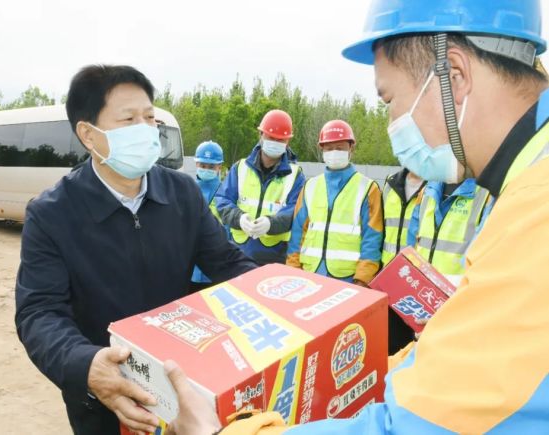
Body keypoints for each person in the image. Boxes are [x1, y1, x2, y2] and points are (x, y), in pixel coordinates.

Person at [164, 0, 549, 433]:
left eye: (390, 99)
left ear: (453, 76)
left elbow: (411, 425)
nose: (390, 123)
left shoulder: (537, 210)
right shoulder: (525, 182)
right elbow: (458, 366)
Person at [14, 65, 257, 435]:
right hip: (106, 398)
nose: (145, 130)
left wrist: (283, 293)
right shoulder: (52, 214)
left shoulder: (182, 194)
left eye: (149, 118)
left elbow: (227, 263)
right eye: (128, 119)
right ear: (89, 135)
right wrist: (86, 364)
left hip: (181, 387)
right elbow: (39, 312)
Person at [286, 120, 383, 287]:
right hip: (310, 274)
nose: (334, 153)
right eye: (329, 148)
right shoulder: (310, 186)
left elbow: (372, 238)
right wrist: (293, 269)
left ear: (351, 148)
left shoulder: (368, 188)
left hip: (348, 280)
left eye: (339, 148)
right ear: (322, 149)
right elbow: (297, 233)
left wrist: (362, 279)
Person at [215, 110, 305, 265]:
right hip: (238, 252)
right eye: (271, 137)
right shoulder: (240, 168)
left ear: (288, 142)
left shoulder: (295, 175)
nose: (275, 143)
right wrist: (239, 218)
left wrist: (271, 223)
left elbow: (297, 211)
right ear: (261, 135)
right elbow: (222, 201)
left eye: (280, 140)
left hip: (275, 257)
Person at [409, 179, 490, 286]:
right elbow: (412, 241)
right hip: (421, 289)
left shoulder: (485, 195)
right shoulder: (427, 190)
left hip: (458, 294)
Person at [380, 168, 425, 354]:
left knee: (415, 347)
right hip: (387, 279)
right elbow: (379, 227)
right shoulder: (390, 183)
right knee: (389, 344)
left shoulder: (433, 188)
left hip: (416, 283)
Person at [190, 140, 225, 292]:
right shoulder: (187, 189)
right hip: (190, 266)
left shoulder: (225, 192)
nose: (206, 169)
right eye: (203, 166)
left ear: (220, 167)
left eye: (211, 166)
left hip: (216, 262)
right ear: (196, 164)